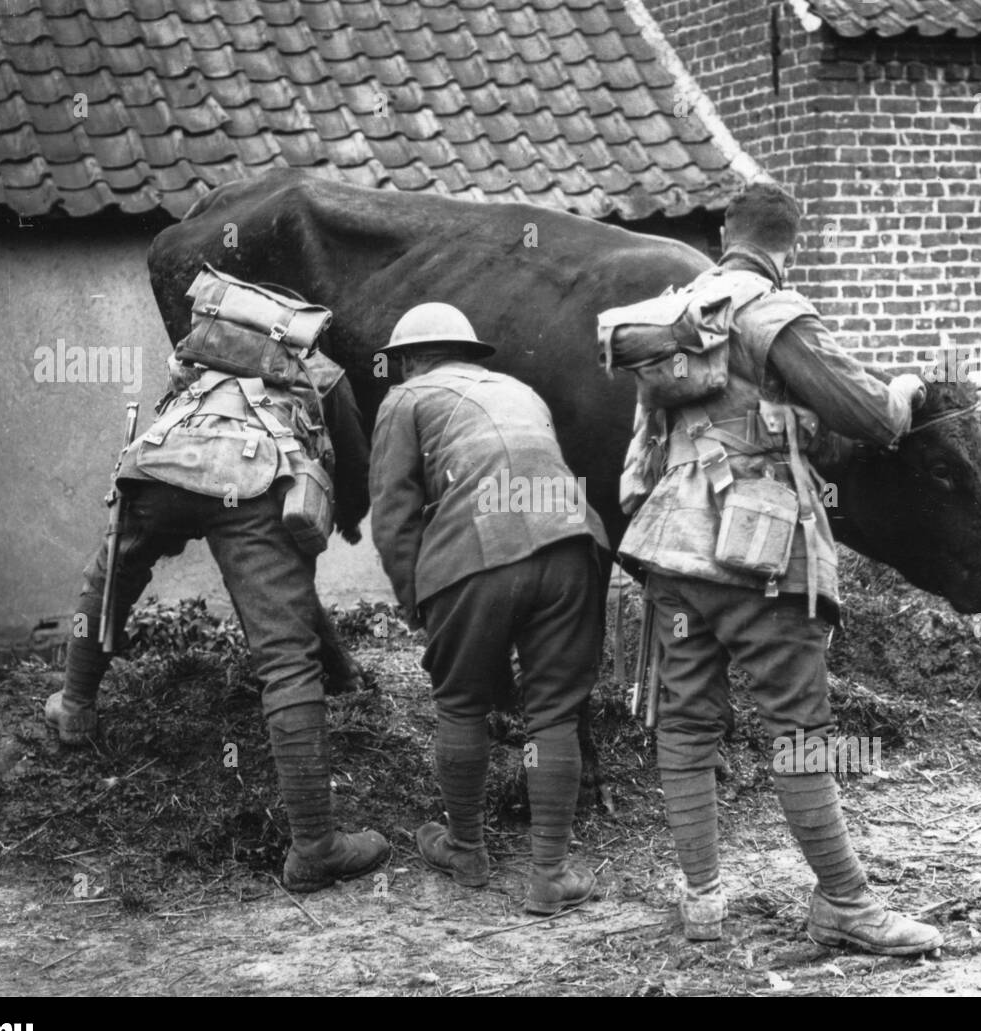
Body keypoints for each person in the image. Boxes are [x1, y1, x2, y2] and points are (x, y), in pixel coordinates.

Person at [619, 181, 942, 954]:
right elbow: (867, 416)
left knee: (688, 721)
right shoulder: (771, 312)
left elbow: (648, 442)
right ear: (791, 240)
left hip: (672, 546)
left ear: (724, 231)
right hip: (758, 554)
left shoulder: (676, 313)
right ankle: (844, 905)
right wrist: (906, 388)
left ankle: (701, 900)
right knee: (801, 732)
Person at [45, 335, 388, 895]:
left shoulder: (204, 345)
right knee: (285, 658)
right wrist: (344, 514)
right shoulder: (317, 364)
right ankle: (316, 848)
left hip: (162, 464)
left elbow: (171, 403)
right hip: (252, 480)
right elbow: (352, 458)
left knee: (110, 577)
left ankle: (75, 708)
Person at [369, 302, 610, 915]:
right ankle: (550, 874)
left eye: (398, 364)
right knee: (554, 712)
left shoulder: (405, 399)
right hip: (570, 541)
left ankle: (466, 848)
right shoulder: (519, 390)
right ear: (466, 352)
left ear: (409, 360)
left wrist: (415, 600)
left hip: (475, 552)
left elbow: (394, 518)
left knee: (461, 702)